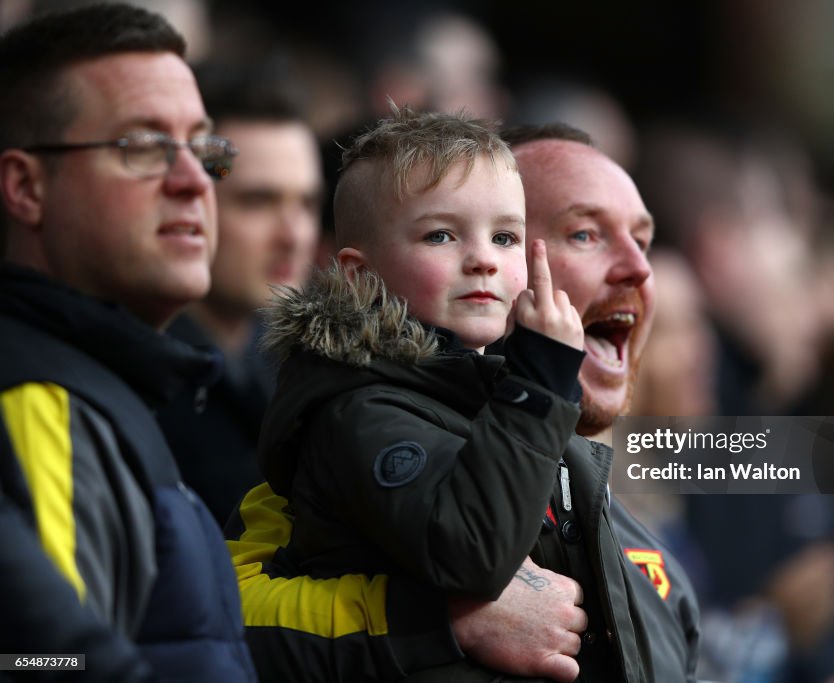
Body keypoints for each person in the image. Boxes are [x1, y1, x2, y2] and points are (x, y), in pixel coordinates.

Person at [226, 122, 700, 682]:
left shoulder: (643, 541)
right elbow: (197, 632)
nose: (640, 269)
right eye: (584, 234)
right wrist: (435, 624)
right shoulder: (355, 413)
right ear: (361, 272)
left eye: (505, 238)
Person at [0, 4, 255, 681]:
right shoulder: (39, 400)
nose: (195, 180)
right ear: (26, 186)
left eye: (206, 149)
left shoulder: (100, 383)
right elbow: (38, 666)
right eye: (142, 146)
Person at [157, 62, 322, 526]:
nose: (294, 235)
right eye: (258, 201)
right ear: (189, 201)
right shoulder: (141, 387)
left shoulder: (303, 374)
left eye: (307, 203)